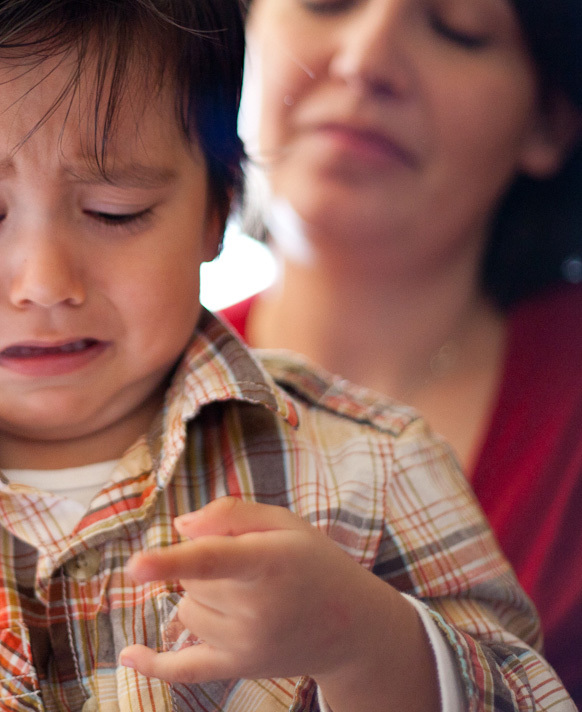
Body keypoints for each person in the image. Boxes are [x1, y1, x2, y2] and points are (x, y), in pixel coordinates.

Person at [0, 0, 575, 709]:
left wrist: (372, 644)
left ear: (213, 209)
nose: (45, 279)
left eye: (115, 212)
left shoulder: (373, 464)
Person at [220, 0, 582, 699]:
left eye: (459, 30)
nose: (365, 63)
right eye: (327, 2)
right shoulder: (114, 379)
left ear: (549, 119)